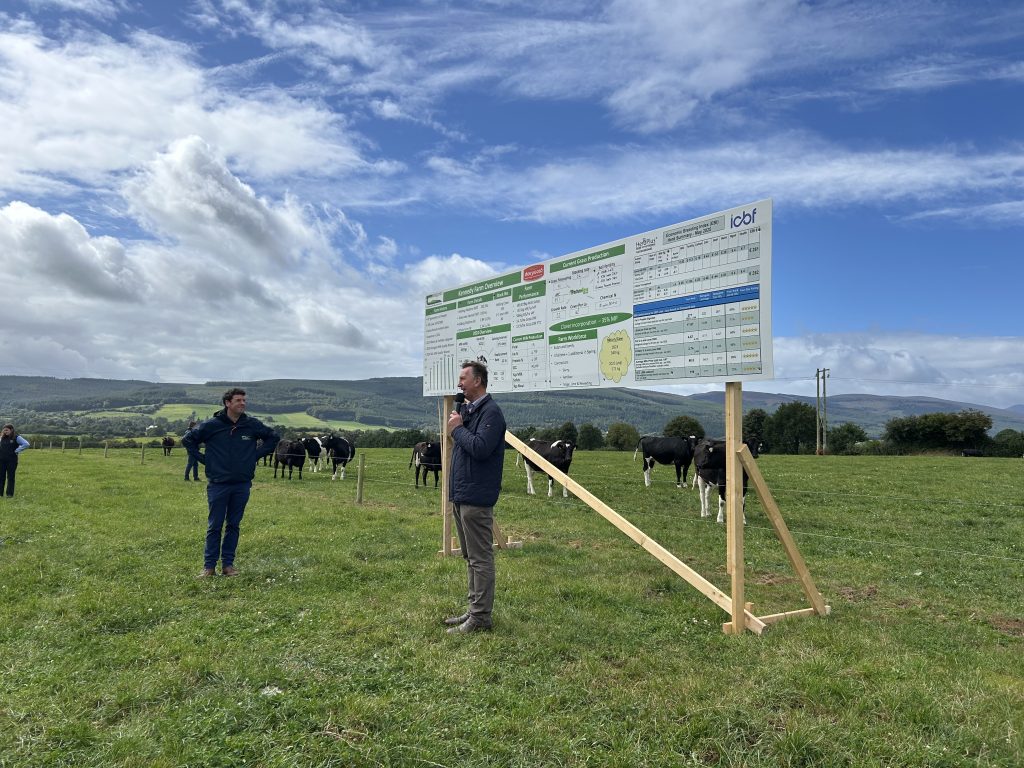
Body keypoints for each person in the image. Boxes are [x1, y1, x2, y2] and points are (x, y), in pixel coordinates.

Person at [182, 388, 279, 578]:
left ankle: (228, 565)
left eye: (244, 400)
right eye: (238, 400)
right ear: (227, 403)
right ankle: (209, 567)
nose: (243, 403)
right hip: (218, 483)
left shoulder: (251, 424)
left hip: (242, 484)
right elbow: (188, 440)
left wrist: (254, 456)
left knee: (233, 525)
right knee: (215, 526)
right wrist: (205, 460)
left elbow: (273, 437)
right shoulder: (212, 425)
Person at [443, 361, 506, 634]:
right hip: (462, 494)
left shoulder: (491, 413)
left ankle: (481, 618)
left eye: (463, 379)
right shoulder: (468, 411)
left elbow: (480, 448)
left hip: (476, 496)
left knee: (480, 559)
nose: (459, 384)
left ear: (478, 381)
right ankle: (473, 610)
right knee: (470, 557)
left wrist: (457, 429)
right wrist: (460, 424)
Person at [0, 424, 30, 498]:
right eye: (4, 430)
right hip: (1, 461)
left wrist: (17, 450)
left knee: (10, 477)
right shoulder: (1, 438)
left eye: (7, 430)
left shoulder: (16, 437)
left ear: (11, 430)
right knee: (1, 477)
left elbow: (26, 444)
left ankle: (9, 494)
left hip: (12, 461)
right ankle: (0, 494)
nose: (5, 432)